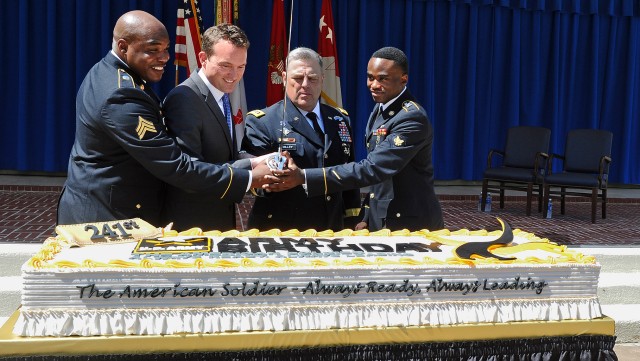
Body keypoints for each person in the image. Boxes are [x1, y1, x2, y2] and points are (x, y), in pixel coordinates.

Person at [57, 10, 279, 226]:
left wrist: (251, 163)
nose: (163, 57)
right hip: (104, 219)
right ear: (123, 47)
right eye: (153, 50)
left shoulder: (113, 74)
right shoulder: (122, 95)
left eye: (166, 49)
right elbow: (177, 166)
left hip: (110, 210)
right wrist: (250, 177)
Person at [269, 47, 444, 232]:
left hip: (412, 223)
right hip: (384, 219)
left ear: (403, 79)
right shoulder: (381, 109)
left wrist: (303, 177)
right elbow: (381, 178)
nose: (374, 85)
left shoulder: (411, 117)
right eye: (370, 77)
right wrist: (368, 211)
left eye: (383, 78)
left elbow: (373, 168)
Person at [241, 47, 361, 231]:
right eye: (298, 78)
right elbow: (256, 180)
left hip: (332, 230)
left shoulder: (340, 120)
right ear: (284, 78)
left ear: (322, 79)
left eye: (312, 78)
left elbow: (349, 176)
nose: (305, 84)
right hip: (281, 230)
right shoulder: (263, 121)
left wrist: (352, 222)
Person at [161, 24, 250, 230]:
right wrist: (251, 173)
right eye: (226, 65)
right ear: (203, 58)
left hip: (218, 219)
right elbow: (188, 170)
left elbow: (219, 155)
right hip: (192, 225)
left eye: (241, 67)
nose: (234, 75)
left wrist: (254, 161)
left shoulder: (220, 94)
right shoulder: (184, 98)